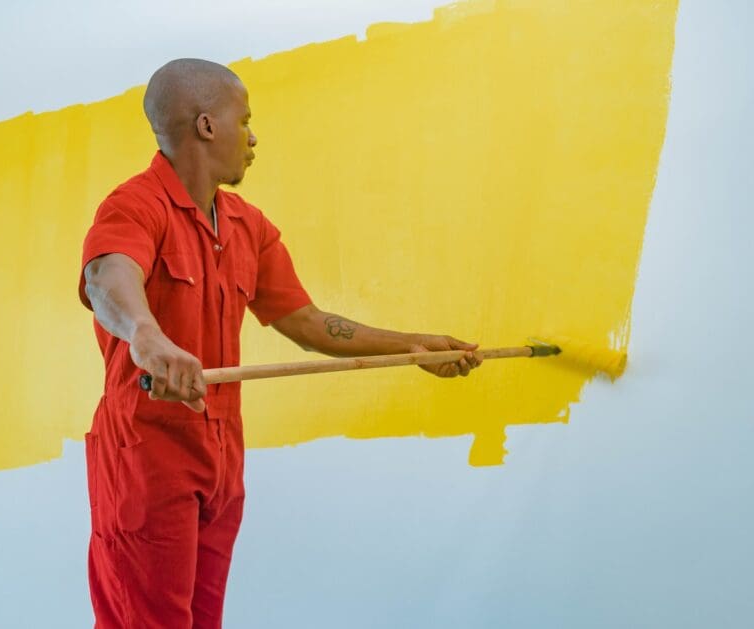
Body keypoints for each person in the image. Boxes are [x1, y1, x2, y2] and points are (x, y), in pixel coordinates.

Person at [78, 58, 482, 628]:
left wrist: (411, 346)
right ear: (206, 126)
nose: (253, 136)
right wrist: (147, 335)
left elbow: (309, 322)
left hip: (221, 458)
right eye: (244, 120)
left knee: (202, 620)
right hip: (146, 457)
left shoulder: (248, 226)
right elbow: (106, 277)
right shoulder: (135, 205)